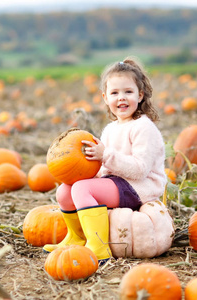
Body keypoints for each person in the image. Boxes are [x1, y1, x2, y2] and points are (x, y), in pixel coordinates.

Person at [43, 57, 167, 264]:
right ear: (105, 97)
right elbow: (106, 167)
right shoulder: (110, 129)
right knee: (65, 190)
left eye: (128, 92)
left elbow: (140, 169)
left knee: (82, 190)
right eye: (114, 93)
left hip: (139, 187)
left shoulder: (143, 128)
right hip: (118, 182)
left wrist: (105, 156)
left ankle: (99, 246)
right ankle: (77, 237)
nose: (122, 98)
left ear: (140, 95)